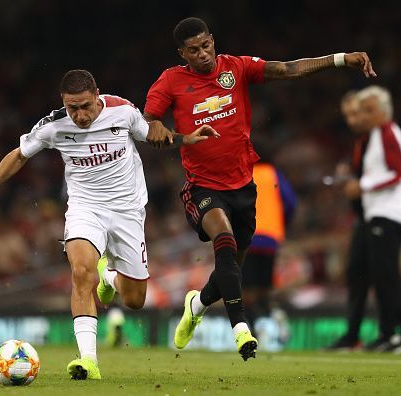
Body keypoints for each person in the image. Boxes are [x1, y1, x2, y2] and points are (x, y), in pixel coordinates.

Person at [143, 16, 376, 360]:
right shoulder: (171, 81)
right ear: (182, 53)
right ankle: (241, 330)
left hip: (243, 187)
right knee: (223, 241)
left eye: (206, 45)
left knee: (230, 270)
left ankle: (199, 304)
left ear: (212, 40)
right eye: (194, 50)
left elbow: (287, 70)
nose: (203, 54)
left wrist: (341, 59)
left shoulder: (235, 68)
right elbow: (149, 123)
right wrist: (162, 131)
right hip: (202, 187)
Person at [0, 69, 217, 380]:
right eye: (73, 108)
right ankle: (88, 360)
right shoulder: (53, 125)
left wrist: (186, 138)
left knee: (135, 300)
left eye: (85, 106)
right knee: (81, 272)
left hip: (128, 211)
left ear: (97, 96)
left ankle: (108, 277)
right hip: (86, 208)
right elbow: (19, 155)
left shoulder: (122, 110)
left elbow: (152, 135)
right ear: (63, 103)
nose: (80, 115)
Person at [343, 85, 401, 352]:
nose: (365, 115)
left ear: (384, 111)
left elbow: (400, 172)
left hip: (389, 213)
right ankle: (389, 334)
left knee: (388, 276)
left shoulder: (388, 132)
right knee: (382, 276)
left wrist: (363, 185)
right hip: (379, 213)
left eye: (369, 109)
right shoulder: (377, 134)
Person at [325, 91, 371, 351]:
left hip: (380, 215)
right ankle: (353, 335)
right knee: (357, 274)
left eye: (355, 113)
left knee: (381, 277)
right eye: (347, 116)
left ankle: (399, 333)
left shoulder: (378, 137)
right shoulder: (361, 141)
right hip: (364, 217)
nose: (351, 120)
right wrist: (348, 173)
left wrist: (359, 183)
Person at [242, 157, 296, 331]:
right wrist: (281, 221)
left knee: (246, 289)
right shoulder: (273, 174)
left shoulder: (242, 173)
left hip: (247, 236)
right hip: (270, 239)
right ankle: (268, 322)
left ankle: (251, 329)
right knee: (265, 287)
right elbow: (290, 203)